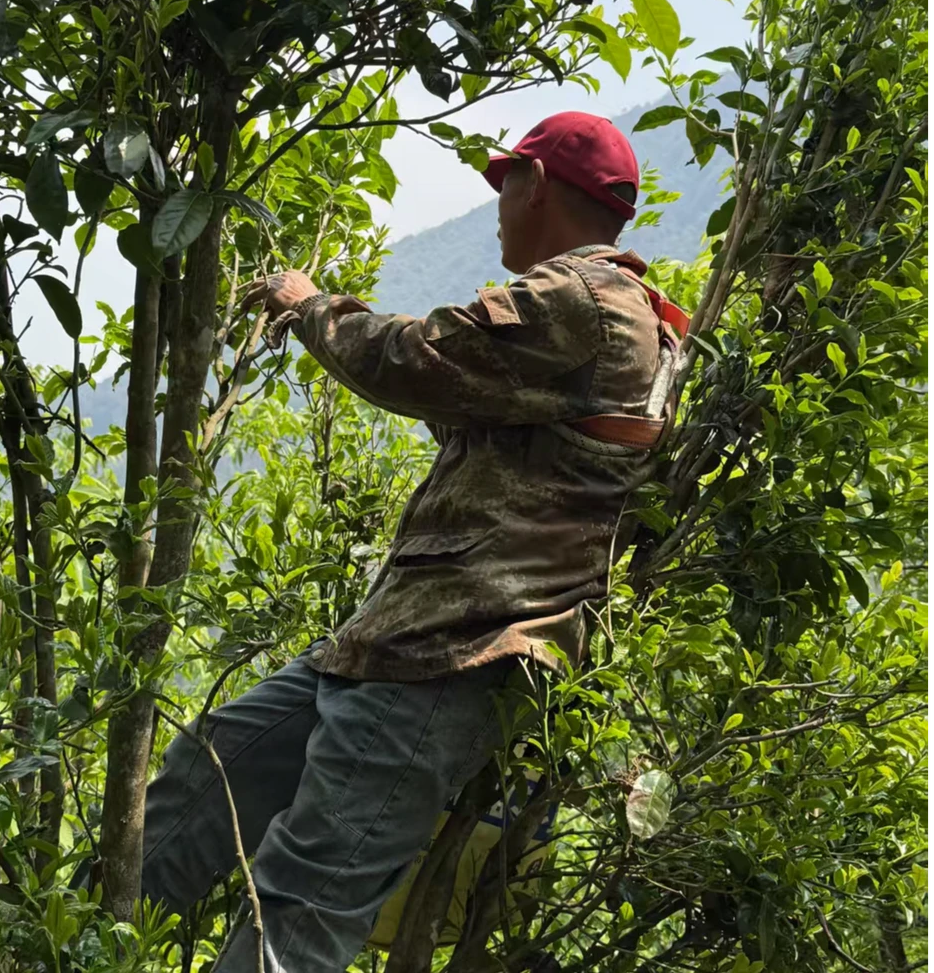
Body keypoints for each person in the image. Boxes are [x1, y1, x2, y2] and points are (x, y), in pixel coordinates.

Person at [141, 112, 680, 972]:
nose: (499, 203)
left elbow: (415, 360)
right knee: (200, 781)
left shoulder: (583, 301)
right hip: (391, 644)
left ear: (535, 185)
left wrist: (309, 306)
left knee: (304, 900)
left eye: (507, 182)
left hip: (454, 656)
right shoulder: (599, 312)